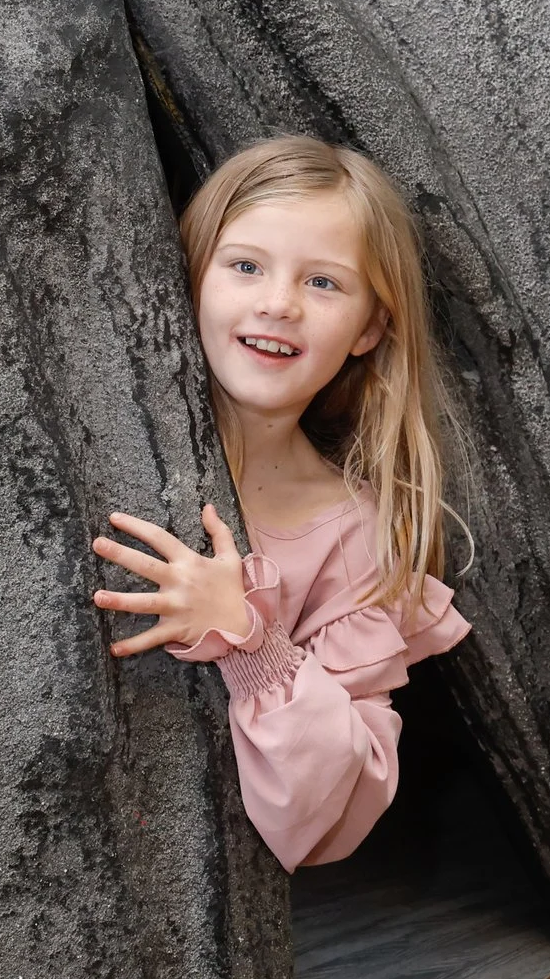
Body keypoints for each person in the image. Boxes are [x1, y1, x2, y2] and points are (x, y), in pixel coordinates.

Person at [93, 135, 471, 870]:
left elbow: (333, 816)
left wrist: (250, 640)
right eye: (244, 265)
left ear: (370, 327)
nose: (278, 303)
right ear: (191, 274)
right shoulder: (105, 428)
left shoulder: (354, 538)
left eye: (324, 283)